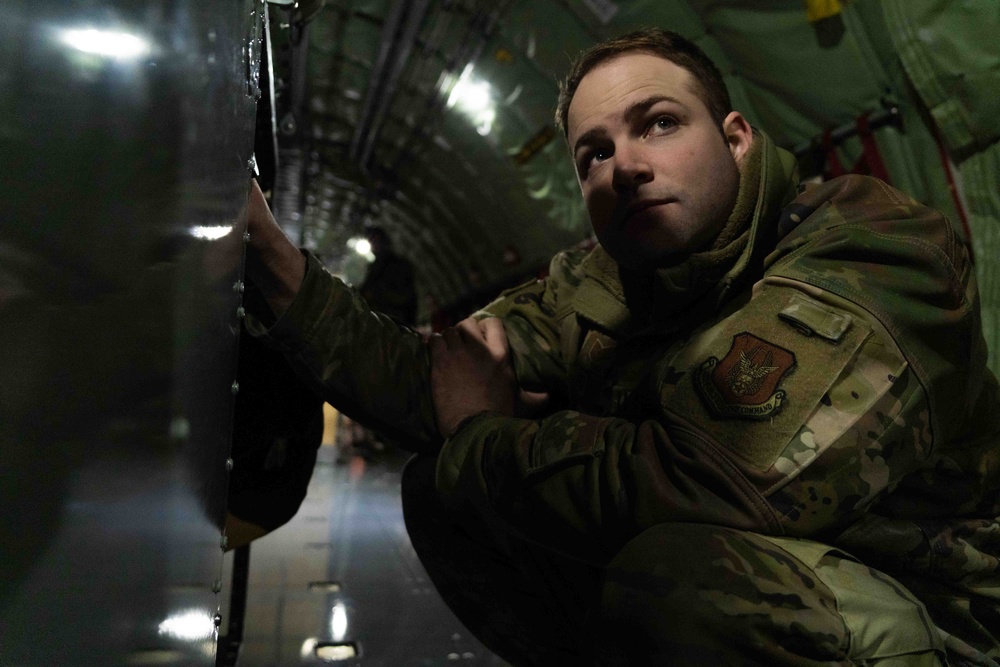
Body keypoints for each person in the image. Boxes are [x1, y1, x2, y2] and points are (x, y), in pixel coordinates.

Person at [242, 28, 1000, 666]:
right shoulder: (605, 279)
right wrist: (274, 260)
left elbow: (710, 479)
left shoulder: (872, 246)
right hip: (802, 583)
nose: (627, 167)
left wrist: (487, 434)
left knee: (682, 579)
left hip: (936, 615)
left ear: (736, 139)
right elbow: (436, 374)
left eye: (660, 124)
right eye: (593, 154)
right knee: (443, 492)